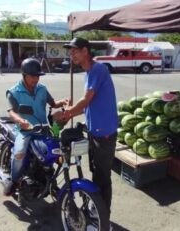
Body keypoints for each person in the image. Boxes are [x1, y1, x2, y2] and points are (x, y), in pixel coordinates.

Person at [62, 37, 118, 226]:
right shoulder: (88, 72)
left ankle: (104, 218)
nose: (71, 54)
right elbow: (87, 104)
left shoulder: (97, 69)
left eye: (74, 50)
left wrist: (65, 114)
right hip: (95, 131)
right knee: (96, 173)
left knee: (103, 176)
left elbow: (86, 99)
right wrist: (71, 112)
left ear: (85, 51)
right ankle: (98, 211)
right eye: (70, 51)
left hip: (105, 134)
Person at [3, 58, 69, 196]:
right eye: (32, 76)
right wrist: (20, 120)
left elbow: (53, 103)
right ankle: (14, 181)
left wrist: (62, 102)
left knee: (53, 151)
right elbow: (11, 112)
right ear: (24, 75)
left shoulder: (42, 89)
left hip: (43, 128)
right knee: (20, 153)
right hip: (24, 130)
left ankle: (49, 182)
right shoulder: (14, 91)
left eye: (37, 76)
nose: (35, 79)